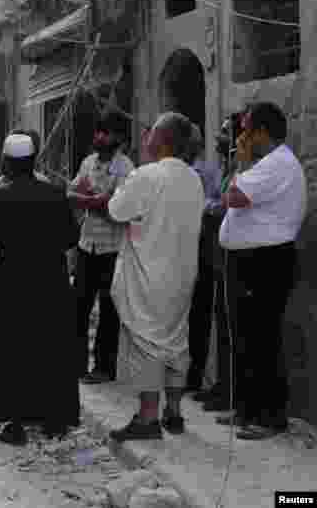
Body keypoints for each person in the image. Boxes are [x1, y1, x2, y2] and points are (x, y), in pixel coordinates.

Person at [0, 134, 81, 445]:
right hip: (51, 282)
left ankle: (15, 424)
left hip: (13, 283)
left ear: (7, 162)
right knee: (50, 348)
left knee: (13, 351)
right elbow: (72, 237)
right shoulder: (56, 194)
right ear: (33, 161)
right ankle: (54, 420)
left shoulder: (1, 196)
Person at [107, 112, 204, 442]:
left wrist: (121, 188)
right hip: (181, 274)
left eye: (150, 132)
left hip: (150, 274)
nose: (144, 136)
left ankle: (147, 419)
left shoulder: (146, 175)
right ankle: (174, 413)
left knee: (145, 342)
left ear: (161, 140)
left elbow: (117, 210)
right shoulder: (193, 178)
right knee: (176, 339)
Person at [218, 102, 306, 440]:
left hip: (265, 261)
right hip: (251, 259)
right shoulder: (264, 165)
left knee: (262, 338)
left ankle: (270, 417)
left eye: (246, 130)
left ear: (262, 133)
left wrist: (240, 162)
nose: (242, 137)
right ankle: (247, 409)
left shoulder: (277, 164)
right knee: (245, 336)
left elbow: (233, 197)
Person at [68, 111, 135, 384]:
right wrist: (96, 200)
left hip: (113, 249)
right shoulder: (87, 162)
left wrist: (90, 200)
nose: (98, 137)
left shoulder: (126, 168)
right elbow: (71, 195)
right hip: (87, 244)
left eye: (104, 133)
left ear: (117, 137)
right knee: (79, 306)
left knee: (109, 311)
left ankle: (104, 367)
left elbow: (118, 210)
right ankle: (75, 364)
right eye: (97, 131)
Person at [194, 113, 245, 412]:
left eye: (225, 132)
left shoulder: (241, 169)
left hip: (232, 255)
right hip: (217, 254)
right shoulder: (225, 167)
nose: (218, 137)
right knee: (222, 324)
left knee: (233, 326)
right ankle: (223, 386)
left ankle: (233, 391)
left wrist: (208, 205)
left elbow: (225, 204)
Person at [186, 124, 224, 392]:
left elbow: (220, 204)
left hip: (201, 250)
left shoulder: (209, 171)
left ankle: (194, 377)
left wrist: (201, 206)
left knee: (199, 314)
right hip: (176, 250)